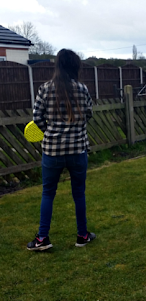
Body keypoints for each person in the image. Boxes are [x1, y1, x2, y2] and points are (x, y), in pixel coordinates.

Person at [27, 49, 96, 251]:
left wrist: (51, 131)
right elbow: (89, 114)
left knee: (48, 193)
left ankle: (42, 239)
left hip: (52, 152)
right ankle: (82, 236)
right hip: (77, 150)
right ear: (75, 67)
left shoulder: (45, 89)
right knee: (79, 194)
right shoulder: (82, 89)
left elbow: (37, 119)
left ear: (58, 66)